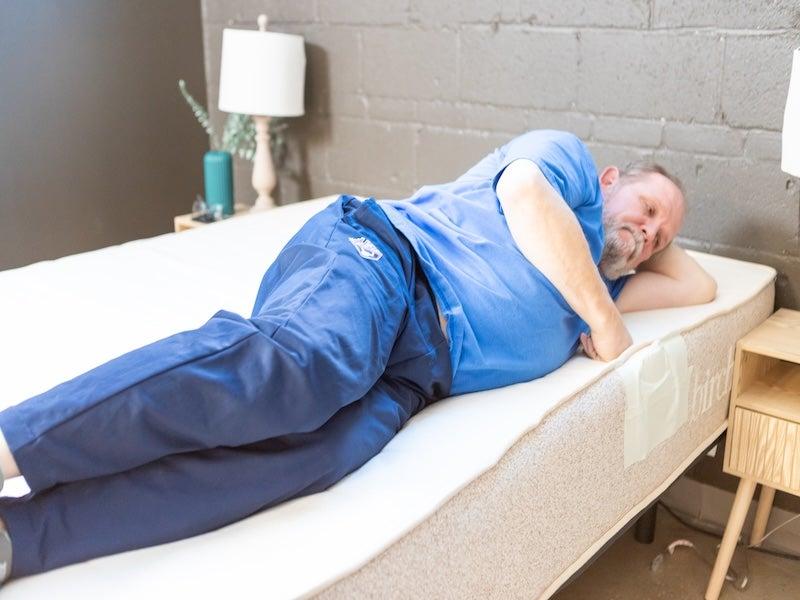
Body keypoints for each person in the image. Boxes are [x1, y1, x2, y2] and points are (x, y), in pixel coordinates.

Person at [0, 129, 715, 582]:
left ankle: (18, 538)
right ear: (611, 177)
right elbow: (524, 192)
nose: (650, 234)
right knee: (301, 369)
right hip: (385, 261)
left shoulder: (605, 281)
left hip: (416, 380)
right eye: (648, 209)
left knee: (310, 455)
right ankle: (11, 443)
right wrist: (605, 320)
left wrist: (635, 249)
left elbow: (702, 285)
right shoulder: (568, 169)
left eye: (661, 236)